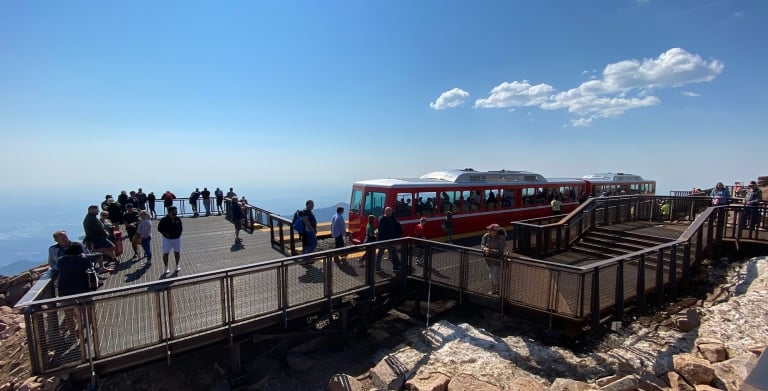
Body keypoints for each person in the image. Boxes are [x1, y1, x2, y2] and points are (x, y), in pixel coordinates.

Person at [83, 205, 116, 273]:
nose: (98, 211)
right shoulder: (91, 219)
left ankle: (102, 267)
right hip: (97, 238)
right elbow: (99, 228)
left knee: (100, 253)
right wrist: (105, 233)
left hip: (93, 238)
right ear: (91, 210)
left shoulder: (91, 217)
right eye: (96, 210)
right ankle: (95, 252)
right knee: (112, 247)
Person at [481, 223, 506, 295]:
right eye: (488, 229)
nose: (488, 230)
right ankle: (493, 290)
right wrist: (485, 249)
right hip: (488, 259)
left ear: (496, 231)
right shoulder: (486, 236)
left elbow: (501, 250)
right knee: (491, 276)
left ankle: (498, 291)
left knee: (495, 276)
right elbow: (482, 244)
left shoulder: (501, 237)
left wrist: (491, 250)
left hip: (497, 260)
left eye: (490, 230)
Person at [375, 207, 402, 272]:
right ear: (386, 212)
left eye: (390, 212)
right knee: (393, 254)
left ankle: (377, 267)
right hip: (390, 240)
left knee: (380, 254)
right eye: (389, 212)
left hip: (382, 240)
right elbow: (394, 229)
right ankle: (395, 267)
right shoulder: (391, 220)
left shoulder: (381, 218)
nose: (390, 213)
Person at [157, 206, 183, 275]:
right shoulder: (164, 220)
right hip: (167, 240)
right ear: (170, 212)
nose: (176, 212)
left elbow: (181, 227)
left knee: (177, 252)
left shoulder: (178, 219)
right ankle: (166, 267)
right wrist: (165, 234)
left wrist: (179, 234)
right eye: (175, 211)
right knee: (166, 253)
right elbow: (159, 228)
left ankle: (177, 266)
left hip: (177, 239)